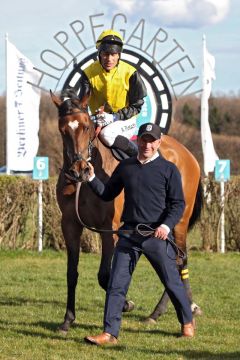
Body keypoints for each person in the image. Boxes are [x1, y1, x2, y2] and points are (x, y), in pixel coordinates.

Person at [84, 122, 195, 346]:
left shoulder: (168, 170)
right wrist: (91, 179)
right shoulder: (126, 167)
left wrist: (165, 226)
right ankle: (109, 333)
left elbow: (177, 205)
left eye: (152, 140)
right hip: (128, 235)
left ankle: (187, 322)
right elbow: (107, 194)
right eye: (144, 139)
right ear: (138, 141)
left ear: (158, 142)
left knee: (172, 282)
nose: (147, 144)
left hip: (156, 235)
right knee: (116, 284)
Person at [78, 29, 147, 157]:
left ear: (119, 55)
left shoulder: (131, 73)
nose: (109, 59)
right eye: (105, 54)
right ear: (99, 53)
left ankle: (140, 158)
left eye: (114, 54)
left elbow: (136, 106)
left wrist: (114, 117)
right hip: (98, 120)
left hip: (125, 120)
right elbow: (82, 103)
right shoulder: (88, 73)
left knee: (106, 134)